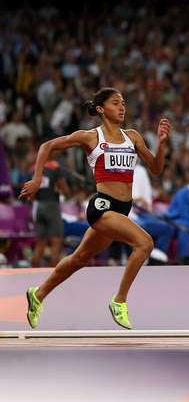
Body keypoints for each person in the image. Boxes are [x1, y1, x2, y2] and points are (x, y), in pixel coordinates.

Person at [20, 87, 171, 329]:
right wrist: (37, 179)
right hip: (102, 207)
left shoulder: (132, 136)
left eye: (123, 103)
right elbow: (46, 146)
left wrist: (161, 145)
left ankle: (38, 294)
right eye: (115, 103)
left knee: (79, 258)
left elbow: (156, 168)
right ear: (101, 109)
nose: (121, 107)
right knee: (145, 244)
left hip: (121, 210)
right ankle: (119, 301)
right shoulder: (90, 137)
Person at [30, 160, 70, 267]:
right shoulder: (54, 168)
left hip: (39, 206)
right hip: (52, 205)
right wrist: (66, 193)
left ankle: (33, 273)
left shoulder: (35, 168)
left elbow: (31, 194)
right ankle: (53, 274)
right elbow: (64, 188)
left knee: (40, 244)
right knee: (56, 242)